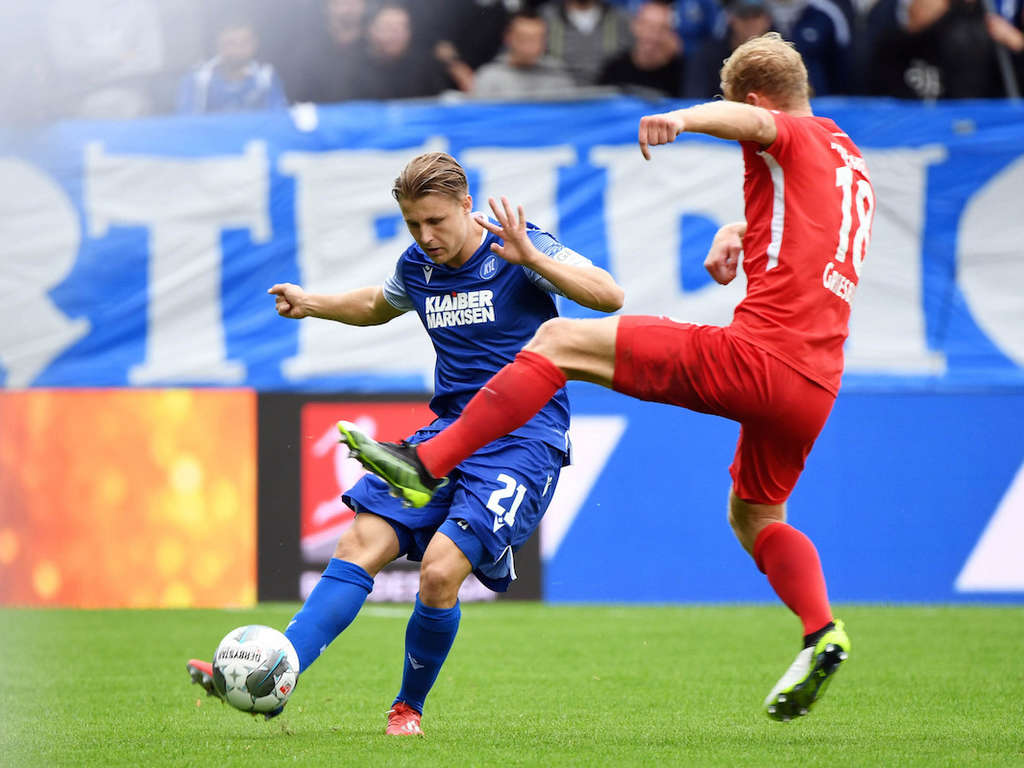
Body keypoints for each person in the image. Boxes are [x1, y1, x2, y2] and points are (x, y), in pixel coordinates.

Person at [342, 32, 868, 722]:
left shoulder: (781, 127)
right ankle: (819, 628)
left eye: (734, 107)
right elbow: (811, 225)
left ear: (752, 99)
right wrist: (742, 234)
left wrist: (685, 118)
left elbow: (761, 124)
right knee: (757, 514)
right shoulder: (848, 158)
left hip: (760, 358)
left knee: (557, 338)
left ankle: (428, 461)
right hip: (817, 386)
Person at [187, 152, 624, 735]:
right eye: (414, 223)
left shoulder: (516, 248)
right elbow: (376, 305)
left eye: (437, 221)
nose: (426, 236)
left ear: (467, 205)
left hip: (524, 438)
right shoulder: (417, 265)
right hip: (446, 435)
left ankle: (407, 709)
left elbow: (608, 295)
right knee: (357, 544)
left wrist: (535, 257)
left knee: (439, 572)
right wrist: (311, 302)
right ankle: (275, 672)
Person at [177, 19, 287, 113]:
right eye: (230, 43)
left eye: (244, 43)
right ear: (219, 45)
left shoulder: (266, 76)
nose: (238, 50)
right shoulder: (198, 78)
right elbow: (186, 122)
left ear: (255, 44)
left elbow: (278, 117)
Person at [472, 10, 577, 98]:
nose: (531, 46)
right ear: (508, 38)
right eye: (524, 39)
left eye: (538, 39)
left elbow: (570, 115)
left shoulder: (557, 75)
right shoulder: (489, 77)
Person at [598, 1, 685, 98]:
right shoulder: (614, 69)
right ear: (635, 26)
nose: (653, 35)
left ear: (671, 34)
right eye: (648, 26)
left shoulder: (683, 74)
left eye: (662, 28)